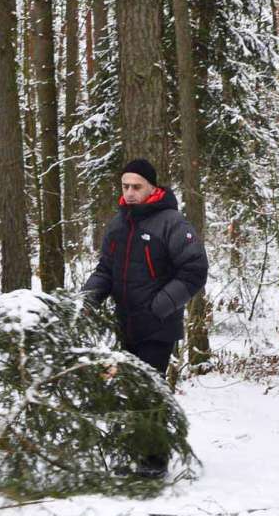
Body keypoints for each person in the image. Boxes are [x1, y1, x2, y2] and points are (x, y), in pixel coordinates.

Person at [82, 159, 208, 475]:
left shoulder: (172, 223)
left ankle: (154, 460)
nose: (130, 193)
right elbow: (105, 270)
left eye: (137, 186)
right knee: (125, 390)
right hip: (124, 324)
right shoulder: (118, 224)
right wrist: (86, 302)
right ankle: (131, 452)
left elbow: (194, 271)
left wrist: (160, 306)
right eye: (125, 186)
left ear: (152, 187)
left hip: (157, 326)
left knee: (149, 390)